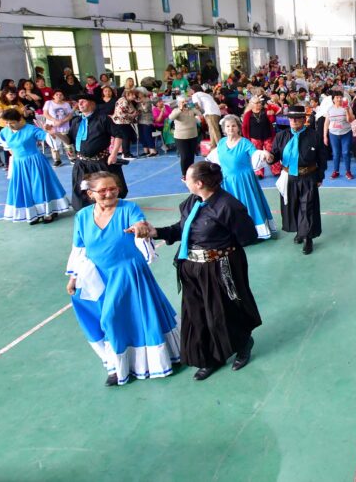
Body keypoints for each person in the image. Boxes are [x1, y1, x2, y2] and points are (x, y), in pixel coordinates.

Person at [143, 161, 262, 380]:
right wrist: (156, 232)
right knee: (198, 314)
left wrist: (221, 254)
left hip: (220, 268)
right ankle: (211, 357)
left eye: (185, 178)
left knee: (226, 311)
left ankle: (243, 343)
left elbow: (248, 237)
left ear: (198, 183)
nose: (183, 181)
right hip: (192, 268)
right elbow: (183, 229)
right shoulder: (191, 202)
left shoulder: (228, 206)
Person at [65, 172, 180, 386]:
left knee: (111, 317)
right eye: (102, 190)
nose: (109, 193)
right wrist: (74, 277)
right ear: (90, 194)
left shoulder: (129, 208)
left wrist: (140, 228)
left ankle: (118, 369)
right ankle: (114, 362)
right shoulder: (82, 216)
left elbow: (139, 223)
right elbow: (79, 249)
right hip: (96, 275)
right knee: (97, 318)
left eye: (113, 189)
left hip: (127, 272)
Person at [205, 114, 276, 240]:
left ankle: (254, 232)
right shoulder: (221, 143)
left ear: (238, 128)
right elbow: (214, 159)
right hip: (227, 182)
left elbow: (255, 154)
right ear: (224, 129)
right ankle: (234, 232)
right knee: (230, 208)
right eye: (227, 126)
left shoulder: (244, 142)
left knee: (249, 205)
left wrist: (264, 153)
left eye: (233, 126)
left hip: (244, 181)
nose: (230, 129)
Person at [271, 105, 328, 255]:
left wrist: (320, 176)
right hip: (289, 177)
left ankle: (308, 238)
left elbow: (322, 158)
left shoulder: (314, 135)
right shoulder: (281, 136)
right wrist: (268, 157)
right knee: (293, 206)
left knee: (307, 207)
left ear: (304, 119)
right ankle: (300, 232)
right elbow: (274, 155)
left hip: (308, 177)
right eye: (291, 118)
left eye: (297, 118)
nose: (294, 121)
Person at [0, 109, 71, 224]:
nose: (8, 125)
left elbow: (49, 140)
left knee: (40, 187)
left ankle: (49, 212)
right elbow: (8, 147)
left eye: (11, 122)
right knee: (25, 188)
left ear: (19, 120)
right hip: (19, 164)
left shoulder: (31, 129)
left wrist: (51, 133)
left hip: (35, 162)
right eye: (6, 122)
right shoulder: (4, 132)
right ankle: (32, 214)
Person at [65, 94, 127, 212]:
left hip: (100, 161)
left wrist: (113, 154)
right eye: (79, 102)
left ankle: (108, 211)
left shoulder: (103, 119)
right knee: (82, 191)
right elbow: (69, 140)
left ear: (92, 103)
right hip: (82, 163)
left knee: (105, 188)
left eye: (83, 101)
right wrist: (55, 134)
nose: (80, 104)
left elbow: (119, 135)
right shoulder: (76, 121)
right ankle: (87, 213)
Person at [242, 94, 276, 179]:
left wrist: (271, 113)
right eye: (257, 103)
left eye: (260, 103)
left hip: (267, 136)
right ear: (252, 104)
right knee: (257, 155)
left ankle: (276, 170)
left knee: (271, 153)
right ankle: (259, 173)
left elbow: (272, 120)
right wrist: (247, 139)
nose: (259, 104)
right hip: (254, 138)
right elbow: (244, 128)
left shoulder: (266, 111)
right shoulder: (248, 115)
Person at [169, 96, 202, 179]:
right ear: (179, 103)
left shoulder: (191, 110)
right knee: (184, 156)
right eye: (183, 102)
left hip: (193, 135)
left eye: (186, 101)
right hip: (181, 137)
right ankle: (184, 174)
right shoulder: (176, 110)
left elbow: (200, 114)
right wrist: (180, 109)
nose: (185, 103)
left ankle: (191, 172)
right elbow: (171, 117)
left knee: (191, 155)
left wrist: (197, 108)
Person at [324, 89, 354, 180]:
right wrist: (325, 136)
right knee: (336, 153)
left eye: (341, 97)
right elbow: (326, 123)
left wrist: (347, 111)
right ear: (333, 99)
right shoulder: (329, 109)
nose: (339, 99)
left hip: (346, 133)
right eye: (337, 97)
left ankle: (348, 171)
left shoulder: (347, 106)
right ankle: (336, 171)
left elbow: (350, 120)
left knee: (345, 152)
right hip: (333, 134)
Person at [43, 89, 75, 166]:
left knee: (67, 143)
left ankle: (72, 158)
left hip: (64, 126)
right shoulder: (48, 103)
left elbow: (70, 115)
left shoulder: (66, 104)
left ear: (63, 96)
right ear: (53, 96)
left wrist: (62, 121)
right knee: (54, 144)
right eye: (57, 94)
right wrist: (54, 120)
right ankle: (57, 160)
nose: (59, 96)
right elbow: (45, 114)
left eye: (60, 94)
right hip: (52, 126)